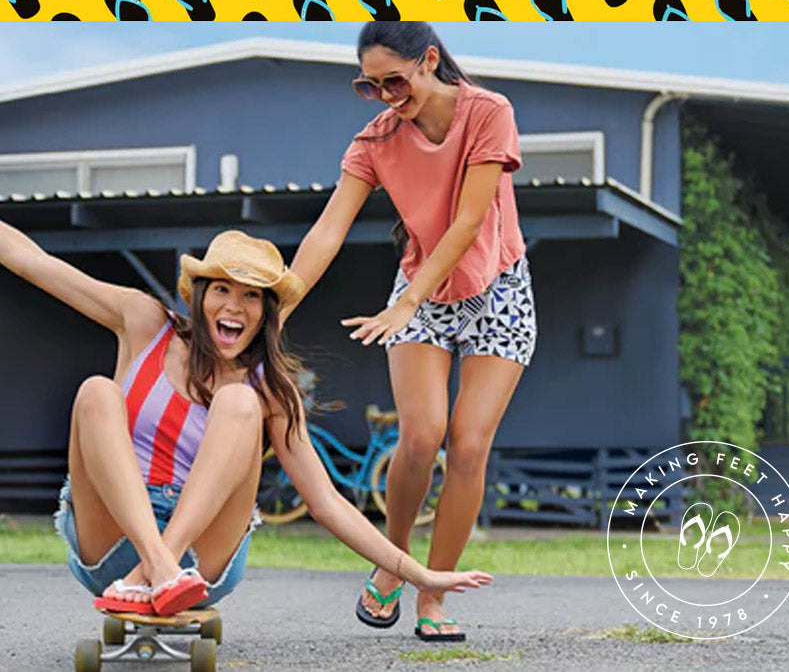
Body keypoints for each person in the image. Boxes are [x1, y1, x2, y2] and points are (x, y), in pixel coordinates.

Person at [0, 221, 492, 617]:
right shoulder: (144, 322)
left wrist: (415, 573)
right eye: (221, 289)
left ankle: (159, 567)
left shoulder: (271, 391)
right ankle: (155, 566)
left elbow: (325, 502)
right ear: (199, 295)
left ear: (266, 311)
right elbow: (31, 261)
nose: (234, 305)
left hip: (202, 558)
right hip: (109, 536)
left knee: (239, 402)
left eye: (252, 295)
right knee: (96, 392)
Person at [280, 21, 537, 642]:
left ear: (428, 61)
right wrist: (278, 308)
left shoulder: (488, 112)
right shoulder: (374, 142)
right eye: (370, 87)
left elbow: (471, 222)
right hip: (420, 290)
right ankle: (393, 563)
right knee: (421, 436)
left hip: (498, 287)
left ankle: (434, 594)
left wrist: (408, 302)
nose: (387, 96)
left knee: (469, 446)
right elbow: (327, 231)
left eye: (394, 80)